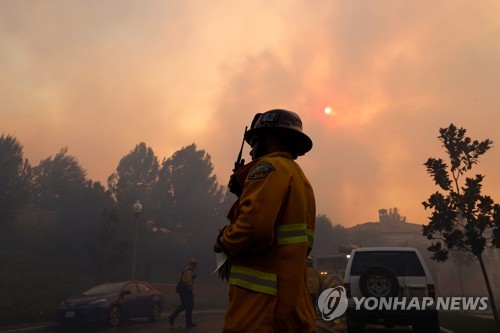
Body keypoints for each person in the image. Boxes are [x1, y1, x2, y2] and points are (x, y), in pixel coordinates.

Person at [214, 109, 316, 332]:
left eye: (254, 142)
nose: (251, 151)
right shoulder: (298, 177)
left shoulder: (267, 168)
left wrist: (224, 240)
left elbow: (253, 229)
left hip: (260, 311)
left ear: (267, 139)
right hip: (290, 306)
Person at [169, 259, 198, 328]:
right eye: (194, 265)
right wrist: (192, 291)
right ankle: (172, 317)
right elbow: (189, 283)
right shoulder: (188, 272)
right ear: (191, 265)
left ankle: (189, 322)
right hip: (186, 291)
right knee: (186, 305)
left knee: (188, 306)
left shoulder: (187, 270)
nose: (195, 267)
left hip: (184, 291)